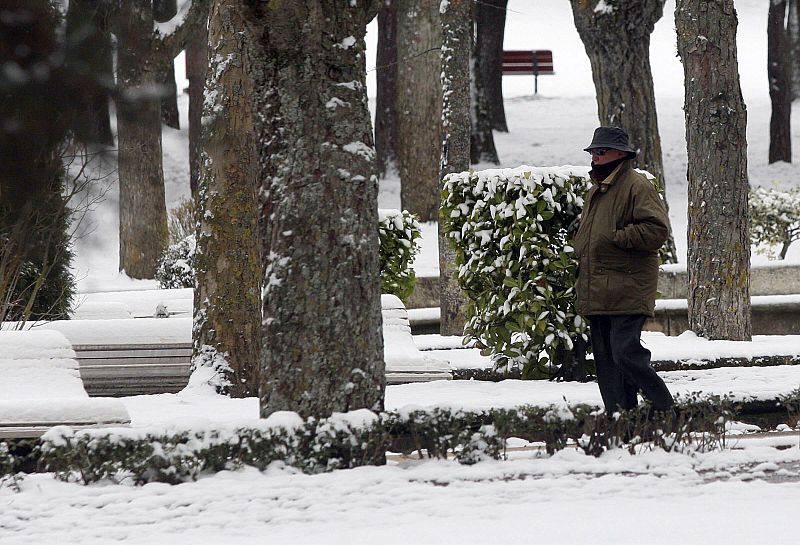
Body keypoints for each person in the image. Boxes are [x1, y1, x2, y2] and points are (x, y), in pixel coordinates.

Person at [573, 126, 675, 414]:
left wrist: (617, 238)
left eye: (600, 151)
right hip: (598, 291)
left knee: (625, 354)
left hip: (627, 288)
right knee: (607, 363)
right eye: (593, 151)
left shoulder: (636, 185)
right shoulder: (597, 190)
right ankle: (621, 419)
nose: (594, 157)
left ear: (620, 154)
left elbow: (656, 230)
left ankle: (665, 409)